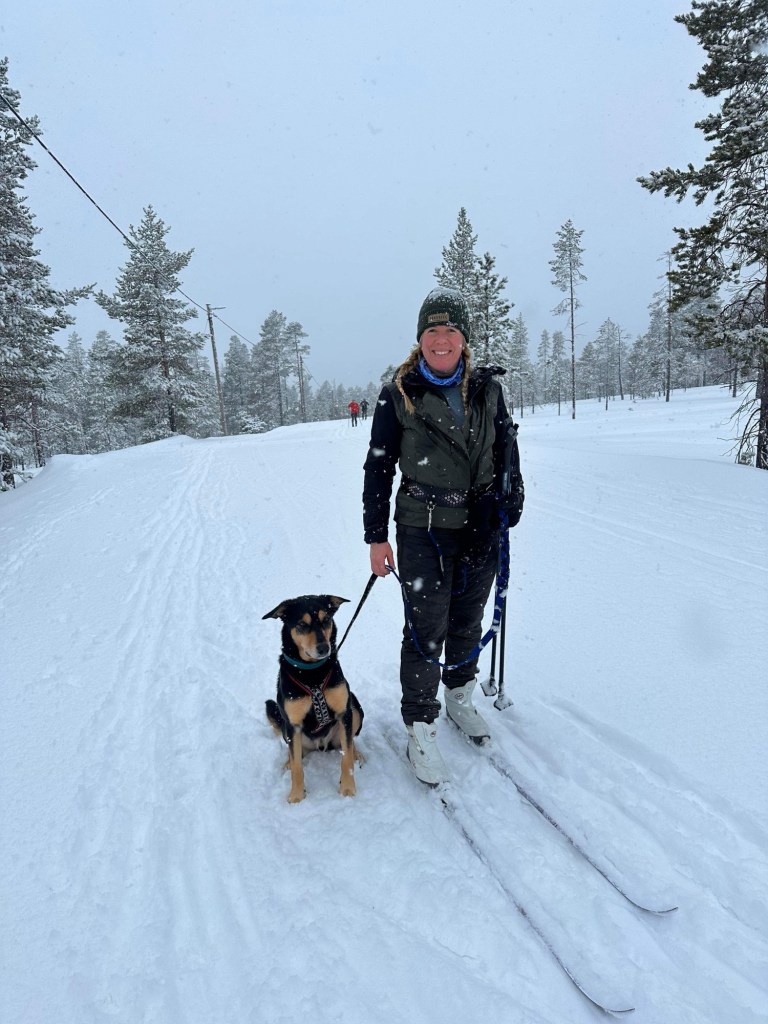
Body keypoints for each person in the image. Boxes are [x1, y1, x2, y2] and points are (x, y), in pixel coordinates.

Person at [362, 286, 524, 785]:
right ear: (420, 338)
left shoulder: (488, 390)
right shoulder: (399, 393)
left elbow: (505, 448)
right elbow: (378, 467)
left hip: (480, 526)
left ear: (463, 338)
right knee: (425, 628)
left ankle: (458, 696)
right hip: (422, 529)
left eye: (451, 329)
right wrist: (376, 536)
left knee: (467, 620)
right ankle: (420, 725)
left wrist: (513, 494)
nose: (441, 338)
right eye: (432, 329)